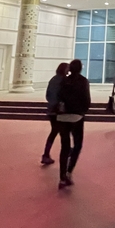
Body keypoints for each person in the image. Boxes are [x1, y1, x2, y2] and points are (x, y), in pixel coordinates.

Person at [56, 58, 91, 190]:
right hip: (76, 117)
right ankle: (69, 172)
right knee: (77, 145)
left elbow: (58, 96)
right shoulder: (83, 81)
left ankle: (62, 177)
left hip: (62, 117)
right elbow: (86, 100)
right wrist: (82, 111)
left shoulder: (64, 81)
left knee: (64, 147)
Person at [41, 61, 68, 165]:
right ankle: (47, 154)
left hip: (51, 109)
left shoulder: (53, 79)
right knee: (59, 132)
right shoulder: (64, 80)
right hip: (59, 110)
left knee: (56, 131)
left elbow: (48, 95)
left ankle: (47, 154)